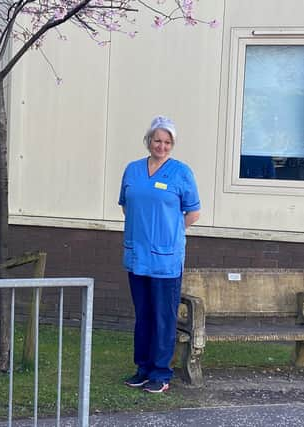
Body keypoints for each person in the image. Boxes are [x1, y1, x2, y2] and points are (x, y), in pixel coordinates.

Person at [118, 115, 200, 393]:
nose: (161, 146)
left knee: (163, 316)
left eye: (167, 142)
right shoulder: (132, 170)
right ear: (148, 141)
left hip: (166, 259)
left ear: (172, 144)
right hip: (138, 255)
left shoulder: (181, 173)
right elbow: (126, 205)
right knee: (143, 315)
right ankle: (142, 368)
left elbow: (194, 212)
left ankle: (161, 373)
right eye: (157, 140)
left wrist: (170, 233)